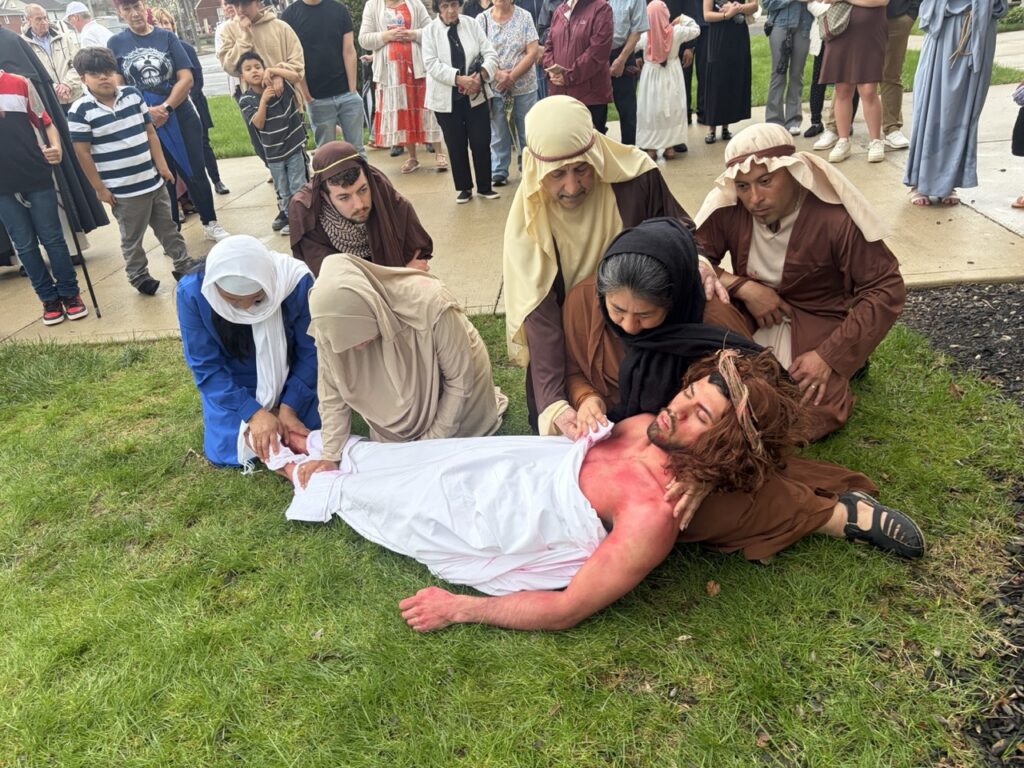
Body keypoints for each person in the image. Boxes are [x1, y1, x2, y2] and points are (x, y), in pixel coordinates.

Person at [279, 348, 923, 632]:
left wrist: (461, 607)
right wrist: (580, 407)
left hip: (498, 514)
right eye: (690, 396)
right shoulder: (647, 421)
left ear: (721, 447)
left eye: (700, 417)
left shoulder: (653, 517)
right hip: (501, 461)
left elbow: (568, 609)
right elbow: (591, 418)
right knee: (387, 462)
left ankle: (839, 517)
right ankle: (302, 444)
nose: (677, 410)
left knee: (365, 498)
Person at [502, 95, 722, 436]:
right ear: (536, 168)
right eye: (557, 174)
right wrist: (555, 403)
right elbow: (540, 316)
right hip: (574, 334)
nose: (572, 187)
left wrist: (698, 260)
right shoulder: (528, 220)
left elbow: (678, 230)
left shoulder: (636, 176)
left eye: (581, 169)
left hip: (645, 321)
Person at [694, 123, 905, 440]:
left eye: (765, 181)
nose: (755, 198)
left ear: (791, 172)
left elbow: (885, 288)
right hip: (750, 313)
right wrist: (744, 287)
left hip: (815, 317)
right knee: (705, 302)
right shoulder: (730, 210)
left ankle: (845, 367)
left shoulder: (834, 219)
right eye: (743, 186)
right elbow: (693, 255)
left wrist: (829, 356)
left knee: (812, 410)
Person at [296, 253, 508, 484]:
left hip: (458, 403)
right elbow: (332, 394)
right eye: (348, 344)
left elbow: (460, 380)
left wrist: (430, 443)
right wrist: (330, 454)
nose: (357, 348)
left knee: (447, 459)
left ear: (371, 306)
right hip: (394, 425)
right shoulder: (329, 328)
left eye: (360, 336)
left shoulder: (431, 303)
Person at [563, 217, 759, 433]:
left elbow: (751, 400)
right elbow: (572, 370)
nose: (629, 327)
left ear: (673, 302)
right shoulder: (582, 301)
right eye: (617, 310)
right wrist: (587, 399)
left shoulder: (714, 323)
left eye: (645, 314)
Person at [177, 235, 320, 468]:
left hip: (291, 379)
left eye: (258, 299)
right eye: (233, 300)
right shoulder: (193, 293)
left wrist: (289, 406)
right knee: (234, 446)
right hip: (234, 387)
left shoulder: (293, 281)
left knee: (304, 433)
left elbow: (310, 351)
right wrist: (252, 412)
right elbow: (206, 366)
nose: (244, 308)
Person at [69, 47, 197, 296]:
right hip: (123, 191)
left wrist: (162, 166)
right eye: (95, 74)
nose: (104, 78)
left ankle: (183, 264)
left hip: (152, 181)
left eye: (108, 71)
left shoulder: (132, 95)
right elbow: (82, 152)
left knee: (168, 228)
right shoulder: (81, 111)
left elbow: (150, 132)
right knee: (133, 237)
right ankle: (138, 275)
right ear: (84, 78)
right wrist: (99, 188)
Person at [108, 0, 231, 242]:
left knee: (195, 169)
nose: (135, 13)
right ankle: (171, 232)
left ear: (145, 8)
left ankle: (210, 221)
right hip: (145, 120)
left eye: (137, 7)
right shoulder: (116, 44)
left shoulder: (166, 38)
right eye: (128, 9)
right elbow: (117, 84)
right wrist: (147, 111)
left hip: (180, 113)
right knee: (164, 176)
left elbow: (186, 77)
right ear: (120, 13)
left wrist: (165, 107)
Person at [0, 68, 87, 325]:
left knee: (52, 238)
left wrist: (56, 148)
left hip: (35, 173)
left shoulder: (19, 83)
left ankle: (70, 294)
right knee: (24, 244)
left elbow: (45, 121)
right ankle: (48, 298)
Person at [903, 0, 1008, 205]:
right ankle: (919, 181)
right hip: (946, 29)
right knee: (935, 102)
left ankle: (949, 182)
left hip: (980, 30)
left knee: (965, 109)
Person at [289, 142, 433, 275]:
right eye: (344, 197)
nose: (359, 205)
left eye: (362, 190)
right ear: (324, 195)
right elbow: (332, 282)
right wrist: (399, 276)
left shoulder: (378, 186)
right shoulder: (305, 213)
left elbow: (416, 252)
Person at [423, 0, 499, 203]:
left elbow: (490, 53)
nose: (450, 11)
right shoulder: (429, 31)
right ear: (438, 7)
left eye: (454, 5)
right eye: (445, 6)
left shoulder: (472, 24)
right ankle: (464, 188)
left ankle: (485, 186)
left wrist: (480, 75)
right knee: (456, 144)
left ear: (460, 5)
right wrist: (458, 78)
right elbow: (430, 63)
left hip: (476, 94)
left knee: (481, 141)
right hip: (446, 99)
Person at [359, 0, 446, 174]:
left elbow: (432, 31)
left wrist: (412, 34)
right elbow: (364, 39)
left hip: (418, 66)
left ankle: (439, 153)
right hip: (390, 72)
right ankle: (412, 157)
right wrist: (386, 36)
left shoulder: (414, 3)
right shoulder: (373, 5)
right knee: (402, 110)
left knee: (427, 108)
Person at [152, 8, 229, 196]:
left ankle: (216, 180)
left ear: (173, 25)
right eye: (159, 23)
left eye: (167, 22)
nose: (164, 27)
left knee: (203, 144)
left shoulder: (184, 47)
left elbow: (197, 79)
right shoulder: (155, 54)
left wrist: (183, 98)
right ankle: (186, 194)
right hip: (167, 110)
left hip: (192, 104)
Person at [237, 51, 308, 237]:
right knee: (283, 190)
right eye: (248, 69)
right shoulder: (246, 99)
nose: (254, 71)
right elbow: (258, 123)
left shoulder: (280, 85)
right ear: (241, 76)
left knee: (298, 184)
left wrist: (275, 72)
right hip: (274, 153)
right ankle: (290, 217)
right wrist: (264, 101)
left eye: (258, 67)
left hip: (293, 146)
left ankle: (302, 219)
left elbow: (296, 76)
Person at [281, 0, 365, 156]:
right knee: (327, 154)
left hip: (347, 95)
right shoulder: (289, 16)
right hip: (317, 99)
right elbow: (294, 60)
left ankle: (364, 180)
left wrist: (353, 90)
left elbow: (348, 51)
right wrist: (307, 97)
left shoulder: (340, 10)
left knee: (357, 151)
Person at [477, 0, 539, 187]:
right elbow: (478, 53)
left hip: (523, 86)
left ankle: (529, 169)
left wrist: (511, 77)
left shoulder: (524, 17)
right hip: (495, 87)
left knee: (527, 131)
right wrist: (497, 75)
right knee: (499, 131)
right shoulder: (482, 20)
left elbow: (532, 51)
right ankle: (499, 171)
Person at [817, 0, 887, 164]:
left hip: (870, 31)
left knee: (868, 90)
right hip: (840, 29)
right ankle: (843, 140)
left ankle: (876, 141)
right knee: (842, 89)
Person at [635, 1, 700, 160]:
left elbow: (632, 44)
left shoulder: (645, 36)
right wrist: (683, 18)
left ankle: (650, 148)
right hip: (671, 74)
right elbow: (696, 29)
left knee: (651, 110)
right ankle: (669, 147)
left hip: (651, 76)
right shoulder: (676, 32)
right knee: (671, 107)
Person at [542, 0, 613, 130]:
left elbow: (598, 52)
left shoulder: (601, 8)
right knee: (563, 143)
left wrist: (568, 76)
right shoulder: (560, 10)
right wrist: (551, 69)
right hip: (559, 94)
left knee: (590, 144)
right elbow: (548, 46)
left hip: (589, 95)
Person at [700, 0, 756, 144]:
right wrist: (727, 14)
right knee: (717, 79)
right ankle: (711, 128)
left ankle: (726, 126)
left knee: (732, 77)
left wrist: (737, 8)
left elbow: (754, 6)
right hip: (718, 36)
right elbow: (707, 15)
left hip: (738, 35)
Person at [761, 0, 812, 136]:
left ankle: (793, 120)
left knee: (797, 74)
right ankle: (774, 120)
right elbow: (766, 4)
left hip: (804, 25)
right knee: (778, 74)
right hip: (779, 25)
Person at [878, 0, 920, 150]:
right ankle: (836, 128)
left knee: (890, 73)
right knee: (851, 74)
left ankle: (892, 128)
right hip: (860, 16)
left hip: (897, 17)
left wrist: (910, 14)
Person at [23, 3, 81, 110]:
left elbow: (79, 64)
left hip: (76, 95)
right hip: (52, 102)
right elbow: (31, 75)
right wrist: (55, 88)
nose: (44, 22)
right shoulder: (24, 45)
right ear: (28, 20)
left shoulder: (64, 38)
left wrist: (67, 84)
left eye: (45, 18)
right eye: (38, 19)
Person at [606, 0, 648, 145]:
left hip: (623, 52)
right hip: (594, 55)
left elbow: (637, 30)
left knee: (627, 111)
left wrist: (621, 60)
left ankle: (630, 154)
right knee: (595, 112)